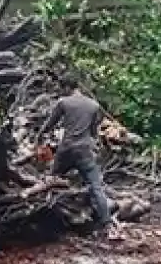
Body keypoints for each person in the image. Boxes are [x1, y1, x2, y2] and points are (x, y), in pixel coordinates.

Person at [36, 78, 114, 236]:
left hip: (66, 149)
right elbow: (93, 132)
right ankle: (108, 225)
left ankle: (43, 218)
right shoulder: (94, 105)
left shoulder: (63, 102)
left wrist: (39, 137)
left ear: (66, 87)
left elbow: (50, 124)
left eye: (61, 88)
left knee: (50, 179)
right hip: (85, 150)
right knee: (96, 187)